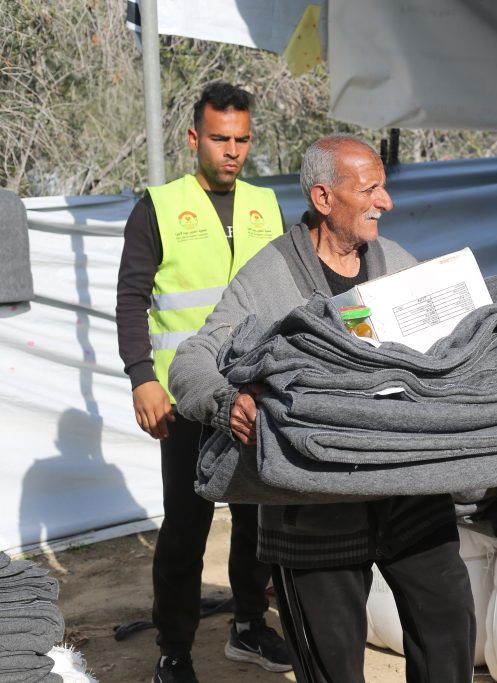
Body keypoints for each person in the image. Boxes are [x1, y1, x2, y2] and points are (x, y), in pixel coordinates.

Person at [168, 134, 476, 683]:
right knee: (334, 666)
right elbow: (193, 358)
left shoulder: (396, 263)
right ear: (324, 198)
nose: (386, 202)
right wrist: (226, 400)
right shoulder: (269, 280)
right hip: (314, 506)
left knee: (447, 624)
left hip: (407, 485)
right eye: (371, 189)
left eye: (384, 187)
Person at [115, 82, 290, 683]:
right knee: (187, 527)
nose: (232, 151)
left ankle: (249, 626)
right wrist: (143, 378)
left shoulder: (266, 206)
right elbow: (132, 298)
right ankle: (174, 649)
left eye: (241, 140)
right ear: (194, 138)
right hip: (187, 400)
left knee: (257, 519)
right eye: (220, 139)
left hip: (256, 393)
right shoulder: (158, 207)